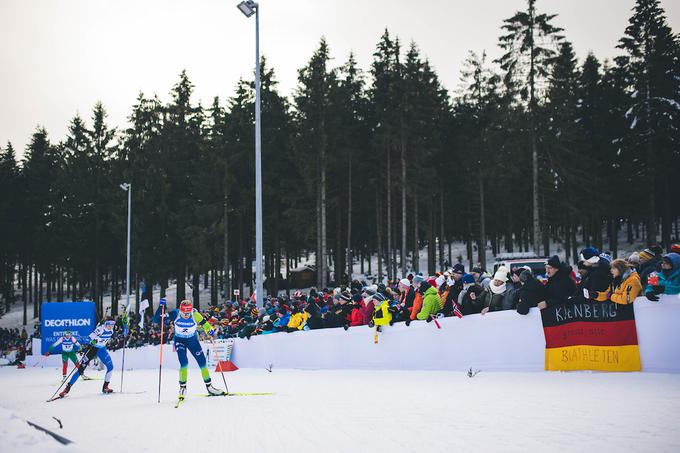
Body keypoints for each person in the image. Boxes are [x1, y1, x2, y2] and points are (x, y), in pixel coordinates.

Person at [153, 299, 225, 402]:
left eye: (188, 313)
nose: (186, 315)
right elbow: (156, 320)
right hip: (180, 341)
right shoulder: (175, 314)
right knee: (184, 363)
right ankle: (182, 388)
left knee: (202, 363)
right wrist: (161, 307)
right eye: (184, 313)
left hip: (192, 341)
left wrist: (209, 330)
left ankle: (210, 387)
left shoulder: (195, 314)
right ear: (180, 310)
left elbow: (205, 324)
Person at [58, 318, 116, 398]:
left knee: (111, 367)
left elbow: (123, 332)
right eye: (109, 325)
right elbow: (88, 339)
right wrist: (93, 341)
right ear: (106, 324)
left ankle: (105, 387)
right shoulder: (100, 330)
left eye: (113, 325)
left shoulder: (111, 331)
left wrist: (125, 325)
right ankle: (67, 389)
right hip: (93, 349)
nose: (111, 327)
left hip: (102, 350)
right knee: (81, 369)